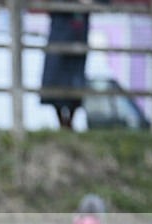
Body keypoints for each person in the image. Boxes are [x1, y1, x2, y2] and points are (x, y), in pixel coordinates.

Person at [40, 0, 106, 129]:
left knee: (76, 83)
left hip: (79, 38)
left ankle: (68, 123)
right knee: (54, 81)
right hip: (59, 37)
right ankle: (64, 124)